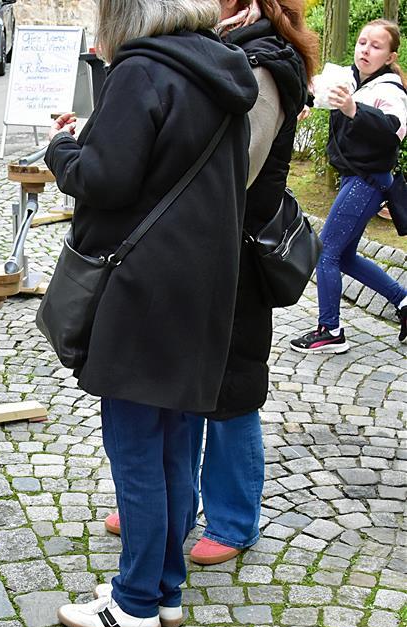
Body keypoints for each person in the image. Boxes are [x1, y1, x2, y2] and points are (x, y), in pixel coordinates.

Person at [43, 0, 257, 627]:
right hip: (205, 285)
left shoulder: (140, 70)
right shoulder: (227, 68)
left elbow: (106, 179)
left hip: (142, 288)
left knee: (137, 449)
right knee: (172, 445)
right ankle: (163, 588)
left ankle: (134, 599)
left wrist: (63, 150)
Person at [103, 0, 316, 567]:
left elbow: (236, 165)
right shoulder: (226, 50)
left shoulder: (266, 62)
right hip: (206, 241)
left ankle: (235, 517)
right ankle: (171, 503)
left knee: (232, 388)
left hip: (239, 247)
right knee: (185, 379)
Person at [290, 18, 407, 353]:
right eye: (362, 42)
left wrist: (354, 109)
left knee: (325, 252)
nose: (365, 50)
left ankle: (330, 330)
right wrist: (304, 104)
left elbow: (392, 131)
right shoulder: (347, 77)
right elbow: (315, 90)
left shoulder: (389, 91)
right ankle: (403, 300)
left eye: (376, 46)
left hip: (368, 181)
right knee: (344, 256)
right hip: (359, 178)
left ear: (389, 56)